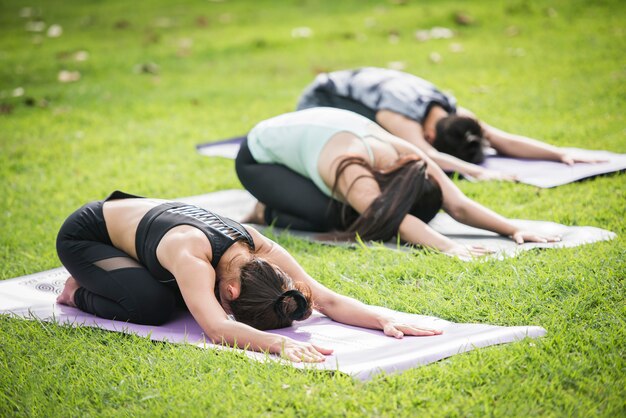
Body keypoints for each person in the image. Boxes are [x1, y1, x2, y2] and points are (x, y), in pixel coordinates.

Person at [55, 190, 442, 363]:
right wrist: (278, 345)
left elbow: (325, 298)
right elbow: (217, 328)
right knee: (153, 305)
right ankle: (78, 291)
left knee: (183, 296)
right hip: (88, 234)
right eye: (231, 304)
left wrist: (382, 318)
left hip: (144, 226)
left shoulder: (263, 249)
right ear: (232, 289)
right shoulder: (192, 258)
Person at [235, 107, 560, 258]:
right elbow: (394, 219)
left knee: (356, 210)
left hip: (310, 144)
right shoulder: (354, 169)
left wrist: (512, 229)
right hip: (259, 158)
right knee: (344, 217)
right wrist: (450, 247)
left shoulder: (409, 157)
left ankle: (286, 198)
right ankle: (264, 210)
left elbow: (458, 204)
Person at [296, 67, 601, 181]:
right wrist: (479, 172)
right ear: (429, 133)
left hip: (357, 84)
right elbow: (426, 154)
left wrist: (559, 154)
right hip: (319, 100)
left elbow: (501, 139)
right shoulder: (399, 114)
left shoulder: (451, 109)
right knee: (390, 151)